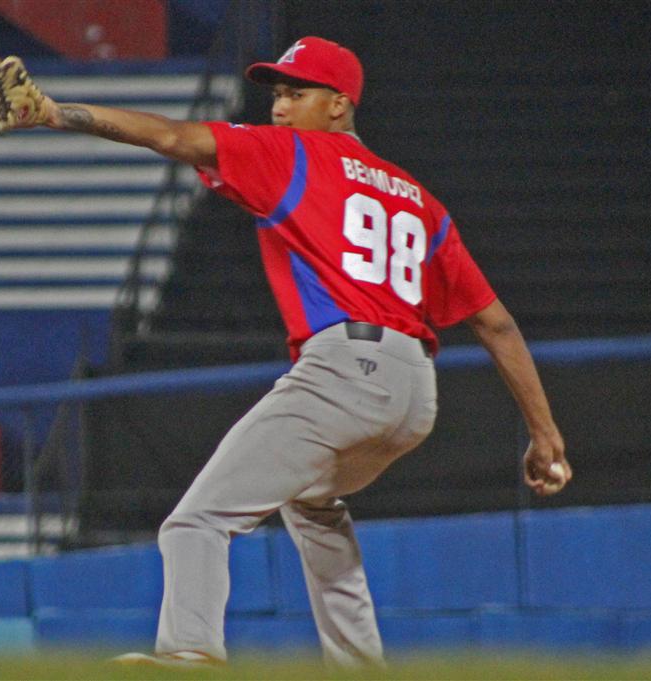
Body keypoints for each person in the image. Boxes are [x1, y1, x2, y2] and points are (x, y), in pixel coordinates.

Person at [34, 36, 571, 669]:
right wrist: (545, 434)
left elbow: (173, 137)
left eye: (297, 93)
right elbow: (497, 325)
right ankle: (360, 664)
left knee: (196, 523)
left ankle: (190, 654)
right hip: (414, 396)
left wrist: (52, 112)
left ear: (339, 105)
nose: (280, 107)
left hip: (345, 371)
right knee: (313, 506)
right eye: (277, 94)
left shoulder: (292, 155)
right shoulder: (419, 199)